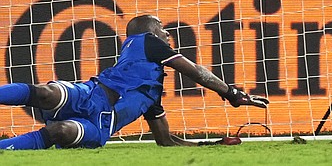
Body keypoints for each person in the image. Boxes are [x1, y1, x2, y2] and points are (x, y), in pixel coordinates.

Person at [0, 15, 267, 149]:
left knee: (62, 131)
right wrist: (232, 93)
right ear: (150, 32)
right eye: (162, 27)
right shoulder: (145, 42)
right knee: (46, 92)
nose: (167, 32)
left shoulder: (150, 94)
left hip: (98, 126)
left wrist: (208, 145)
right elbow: (197, 72)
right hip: (92, 93)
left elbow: (165, 141)